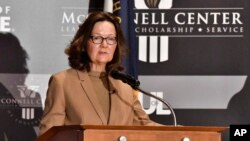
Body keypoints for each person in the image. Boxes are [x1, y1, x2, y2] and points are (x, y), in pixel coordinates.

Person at [38, 11, 160, 136]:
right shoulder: (62, 82)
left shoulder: (125, 87)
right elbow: (48, 134)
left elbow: (147, 127)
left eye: (111, 39)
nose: (104, 44)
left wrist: (179, 131)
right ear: (84, 43)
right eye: (97, 38)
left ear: (116, 45)